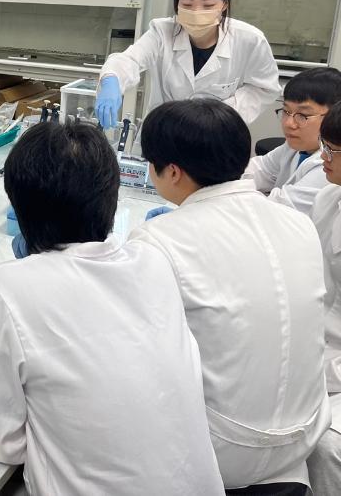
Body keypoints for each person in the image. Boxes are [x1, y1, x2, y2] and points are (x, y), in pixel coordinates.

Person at [0, 122, 223, 495]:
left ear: (20, 206)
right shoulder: (153, 262)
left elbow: (3, 441)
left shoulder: (10, 288)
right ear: (112, 196)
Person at [131, 99, 329, 493]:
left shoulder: (159, 239)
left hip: (221, 451)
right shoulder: (298, 223)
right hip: (304, 436)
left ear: (172, 171)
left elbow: (139, 356)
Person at [96, 0, 280, 128]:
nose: (196, 12)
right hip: (165, 133)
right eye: (187, 4)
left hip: (216, 135)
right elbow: (130, 60)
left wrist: (221, 114)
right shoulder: (162, 31)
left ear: (224, 4)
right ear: (177, 3)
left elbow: (264, 88)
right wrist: (112, 80)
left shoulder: (249, 40)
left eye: (208, 5)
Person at [244, 67, 341, 214]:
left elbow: (281, 209)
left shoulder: (331, 166)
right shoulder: (295, 147)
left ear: (332, 116)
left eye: (303, 115)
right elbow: (258, 169)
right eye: (286, 111)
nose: (289, 123)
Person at [306, 102, 341, 494]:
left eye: (332, 150)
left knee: (327, 445)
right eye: (324, 145)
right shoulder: (328, 198)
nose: (322, 158)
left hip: (334, 367)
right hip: (320, 348)